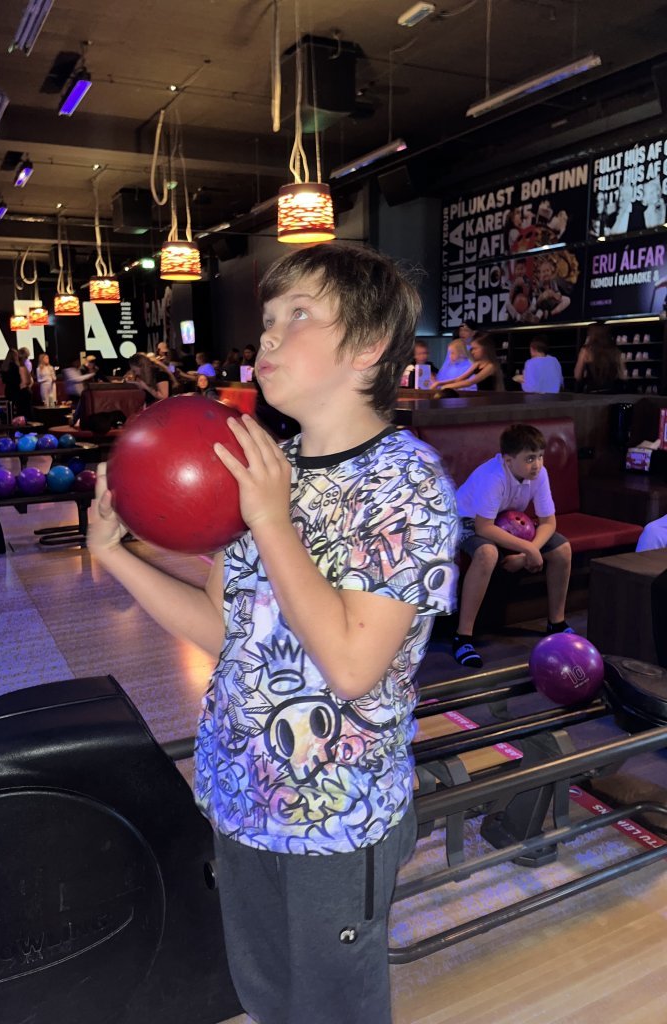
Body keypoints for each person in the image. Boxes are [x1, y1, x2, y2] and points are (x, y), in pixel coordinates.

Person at [87, 240, 459, 1024]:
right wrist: (115, 557)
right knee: (265, 997)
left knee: (332, 1009)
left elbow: (353, 665)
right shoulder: (261, 466)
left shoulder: (406, 483)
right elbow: (226, 629)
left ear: (368, 346)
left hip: (336, 814)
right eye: (268, 318)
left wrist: (271, 521)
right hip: (239, 795)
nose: (269, 334)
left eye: (299, 315)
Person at [452, 423, 573, 668]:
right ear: (508, 460)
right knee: (487, 553)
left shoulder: (540, 474)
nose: (537, 464)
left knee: (562, 549)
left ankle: (556, 623)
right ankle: (462, 637)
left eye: (540, 456)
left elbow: (549, 522)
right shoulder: (493, 476)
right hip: (466, 520)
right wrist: (528, 550)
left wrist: (530, 551)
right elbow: (484, 528)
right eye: (530, 459)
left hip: (505, 519)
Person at [438, 333, 504, 392]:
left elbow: (470, 382)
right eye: (472, 349)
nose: (472, 352)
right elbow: (458, 379)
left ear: (485, 348)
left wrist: (445, 387)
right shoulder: (477, 364)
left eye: (475, 348)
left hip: (491, 397)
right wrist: (439, 383)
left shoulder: (491, 366)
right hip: (481, 396)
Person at [573, 322, 627, 394]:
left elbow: (577, 375)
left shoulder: (586, 351)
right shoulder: (616, 351)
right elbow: (623, 376)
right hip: (612, 392)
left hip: (592, 393)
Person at [63, 357, 97, 422]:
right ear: (73, 362)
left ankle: (76, 421)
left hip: (80, 394)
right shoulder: (68, 370)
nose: (78, 363)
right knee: (76, 410)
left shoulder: (77, 370)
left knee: (80, 410)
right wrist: (91, 374)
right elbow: (77, 379)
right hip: (73, 394)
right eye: (77, 361)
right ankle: (73, 421)